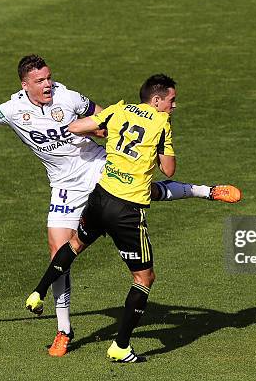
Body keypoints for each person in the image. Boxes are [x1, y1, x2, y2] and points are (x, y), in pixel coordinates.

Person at [0, 55, 241, 357]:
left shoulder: (68, 96)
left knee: (144, 190)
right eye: (40, 80)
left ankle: (206, 191)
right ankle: (64, 330)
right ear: (25, 84)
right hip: (63, 186)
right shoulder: (13, 108)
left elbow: (106, 116)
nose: (48, 84)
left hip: (96, 167)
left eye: (49, 77)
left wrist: (104, 133)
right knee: (59, 251)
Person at [26, 74, 193, 363]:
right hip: (127, 210)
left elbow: (76, 127)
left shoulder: (119, 109)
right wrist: (153, 150)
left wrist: (106, 133)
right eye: (171, 100)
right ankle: (121, 346)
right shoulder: (161, 123)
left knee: (74, 244)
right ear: (156, 100)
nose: (174, 106)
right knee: (144, 277)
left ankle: (38, 292)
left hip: (100, 198)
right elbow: (169, 170)